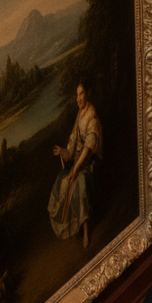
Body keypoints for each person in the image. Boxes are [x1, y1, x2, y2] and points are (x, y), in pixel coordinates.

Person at [48, 81, 103, 250]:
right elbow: (72, 148)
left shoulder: (91, 116)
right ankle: (74, 225)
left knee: (79, 183)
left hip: (90, 163)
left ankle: (86, 229)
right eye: (77, 94)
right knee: (63, 183)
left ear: (88, 93)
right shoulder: (79, 114)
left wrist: (76, 169)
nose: (78, 98)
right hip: (78, 163)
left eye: (81, 93)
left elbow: (88, 149)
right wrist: (62, 151)